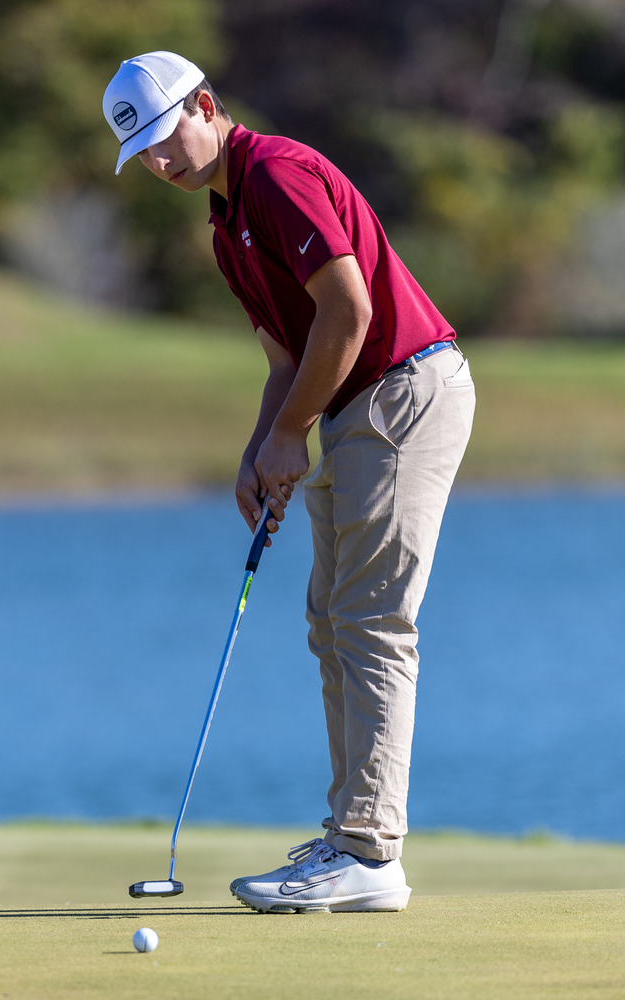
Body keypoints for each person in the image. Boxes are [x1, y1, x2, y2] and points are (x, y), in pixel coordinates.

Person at [102, 51, 475, 913]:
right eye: (145, 154)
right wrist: (263, 442)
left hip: (402, 390)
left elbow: (350, 313)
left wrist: (291, 434)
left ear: (205, 104)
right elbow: (286, 352)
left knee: (372, 619)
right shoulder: (226, 224)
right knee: (330, 621)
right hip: (351, 404)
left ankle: (369, 853)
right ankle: (351, 838)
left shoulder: (276, 174)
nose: (162, 161)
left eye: (166, 137)